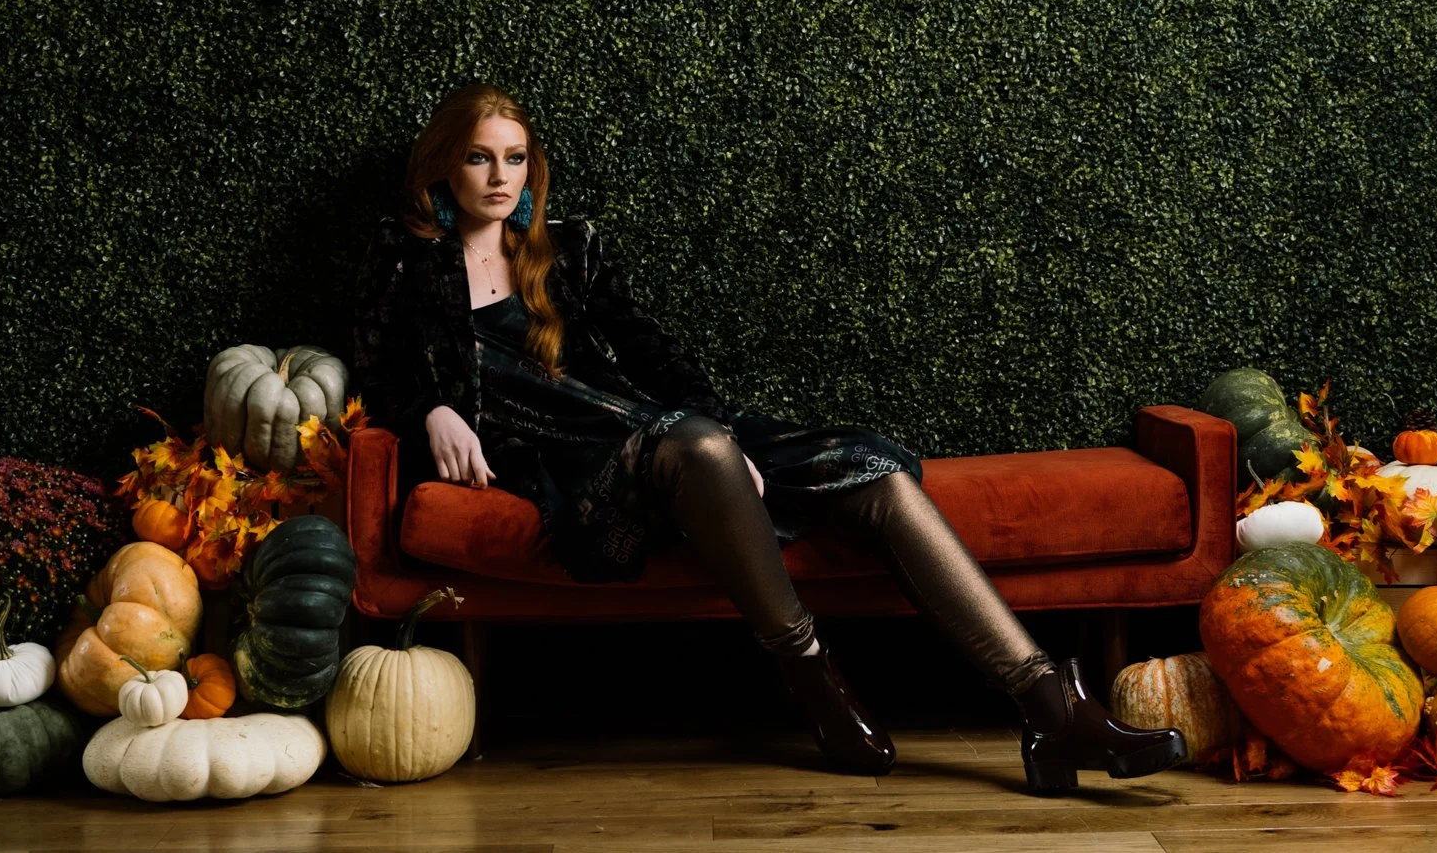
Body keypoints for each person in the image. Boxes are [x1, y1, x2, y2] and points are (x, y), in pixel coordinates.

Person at [351, 82, 1187, 794]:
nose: (500, 175)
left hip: (661, 429)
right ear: (444, 165)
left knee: (875, 477)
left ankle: (1049, 708)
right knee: (702, 448)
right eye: (479, 157)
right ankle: (814, 679)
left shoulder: (568, 250)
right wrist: (434, 410)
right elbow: (380, 371)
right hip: (576, 466)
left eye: (515, 157)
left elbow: (656, 357)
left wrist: (719, 432)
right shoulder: (407, 257)